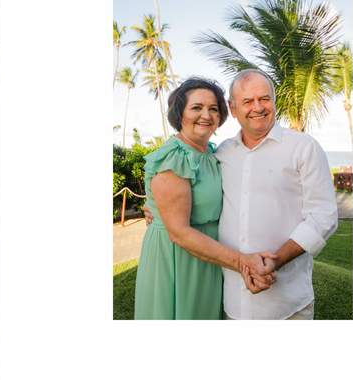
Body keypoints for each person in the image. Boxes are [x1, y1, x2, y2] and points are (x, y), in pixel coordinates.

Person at [133, 77, 277, 319]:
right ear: (180, 113)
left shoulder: (212, 154)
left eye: (213, 108)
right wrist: (242, 262)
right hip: (179, 257)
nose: (206, 115)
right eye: (196, 108)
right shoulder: (175, 158)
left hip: (209, 255)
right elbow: (179, 232)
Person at [214, 70, 339, 320]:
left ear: (274, 100)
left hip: (288, 304)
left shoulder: (304, 147)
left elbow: (323, 216)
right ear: (233, 107)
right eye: (248, 101)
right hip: (233, 303)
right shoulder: (222, 153)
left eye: (265, 99)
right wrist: (156, 208)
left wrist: (276, 260)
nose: (258, 107)